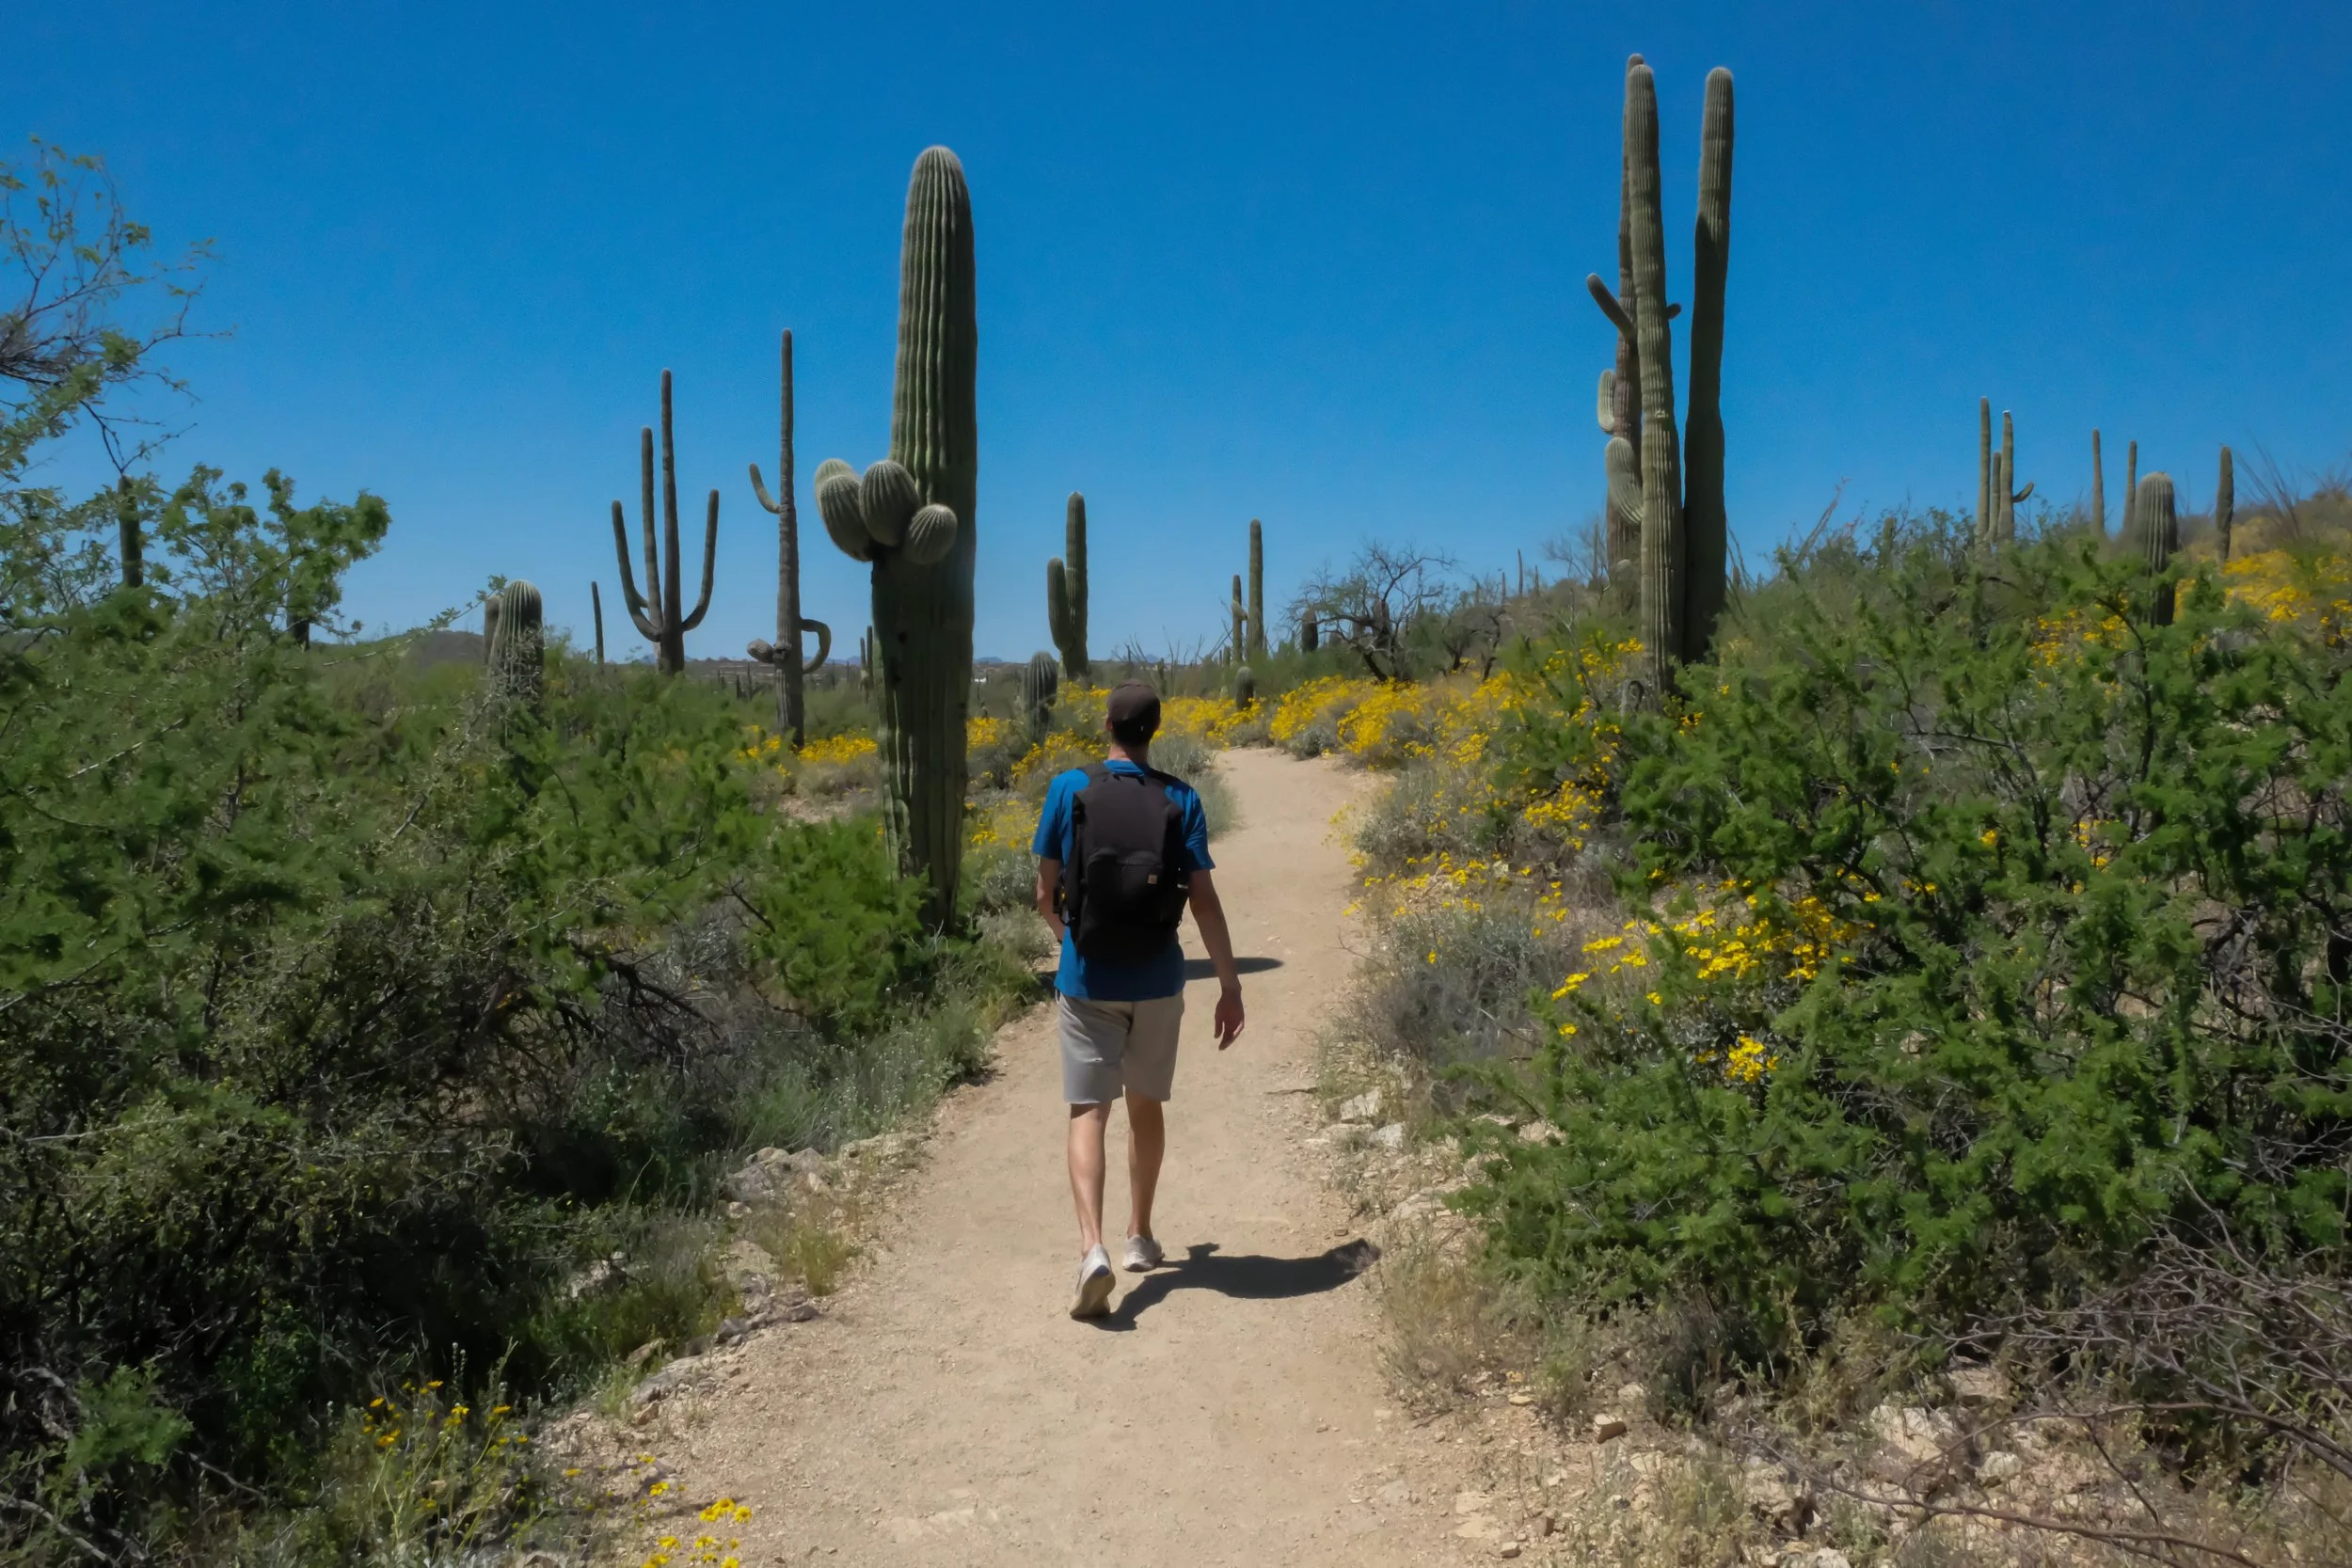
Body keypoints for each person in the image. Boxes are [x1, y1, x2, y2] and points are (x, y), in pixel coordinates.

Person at [1031, 680, 1245, 1319]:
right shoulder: (1181, 798)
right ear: (1156, 728)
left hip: (1088, 979)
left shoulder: (1069, 789)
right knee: (1145, 1106)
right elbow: (1202, 900)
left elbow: (1044, 891)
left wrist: (1070, 941)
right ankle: (1139, 1236)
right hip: (1158, 980)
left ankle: (1090, 1247)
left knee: (1088, 1110)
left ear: (1107, 725)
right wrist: (1230, 986)